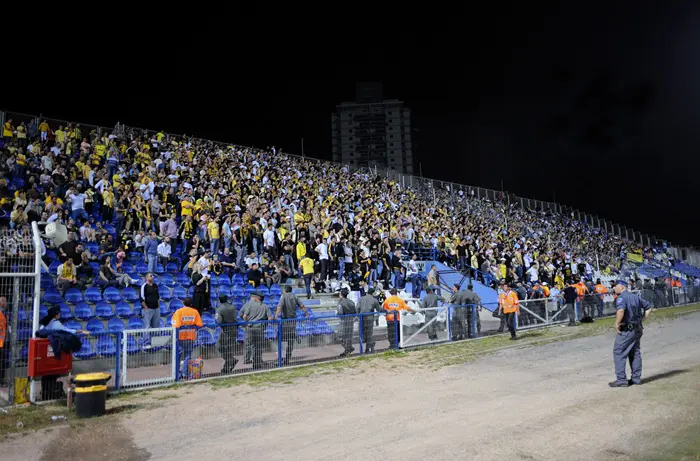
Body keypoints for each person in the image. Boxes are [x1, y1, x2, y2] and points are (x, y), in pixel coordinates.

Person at [609, 283, 652, 387]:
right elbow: (648, 307)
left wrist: (617, 323)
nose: (614, 288)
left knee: (619, 352)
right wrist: (642, 319)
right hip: (637, 328)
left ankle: (621, 379)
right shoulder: (635, 296)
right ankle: (636, 379)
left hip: (627, 329)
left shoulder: (622, 298)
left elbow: (621, 310)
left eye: (616, 286)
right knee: (635, 352)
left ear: (622, 287)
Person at [274, 285, 310, 364]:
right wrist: (307, 314)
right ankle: (288, 356)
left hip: (285, 322)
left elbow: (279, 306)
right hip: (293, 321)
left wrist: (276, 316)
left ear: (285, 290)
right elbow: (302, 306)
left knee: (279, 338)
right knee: (290, 340)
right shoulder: (295, 297)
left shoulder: (283, 296)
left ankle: (280, 358)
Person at [171, 297, 203, 380]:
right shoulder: (195, 312)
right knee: (188, 355)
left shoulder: (179, 312)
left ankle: (177, 374)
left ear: (183, 303)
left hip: (180, 337)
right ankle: (185, 374)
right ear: (191, 304)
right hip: (191, 336)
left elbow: (175, 325)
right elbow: (199, 324)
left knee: (177, 356)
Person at [241, 291, 272, 369]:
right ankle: (257, 362)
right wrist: (265, 325)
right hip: (259, 329)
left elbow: (244, 316)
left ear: (258, 298)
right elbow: (270, 318)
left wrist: (247, 322)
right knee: (258, 346)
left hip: (250, 328)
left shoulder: (250, 305)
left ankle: (249, 360)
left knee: (249, 344)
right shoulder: (266, 306)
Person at [215, 295, 239, 374]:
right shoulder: (233, 307)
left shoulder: (220, 309)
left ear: (219, 300)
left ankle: (230, 361)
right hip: (234, 329)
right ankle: (228, 365)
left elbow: (218, 321)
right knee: (229, 348)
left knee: (219, 346)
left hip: (225, 330)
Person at [357, 287, 382, 352]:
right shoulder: (374, 300)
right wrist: (376, 318)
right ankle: (369, 346)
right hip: (370, 319)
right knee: (369, 334)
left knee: (361, 334)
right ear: (373, 293)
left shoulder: (361, 299)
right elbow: (379, 310)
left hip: (361, 318)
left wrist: (358, 316)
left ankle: (367, 348)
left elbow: (357, 309)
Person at [139, 273, 161, 347]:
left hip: (156, 309)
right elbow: (141, 299)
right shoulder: (144, 286)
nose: (153, 277)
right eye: (151, 276)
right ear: (146, 278)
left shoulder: (155, 285)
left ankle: (155, 343)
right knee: (147, 326)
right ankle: (145, 343)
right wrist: (146, 308)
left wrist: (158, 307)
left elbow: (158, 297)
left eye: (153, 276)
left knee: (156, 326)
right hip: (148, 309)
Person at [336, 288, 357, 357]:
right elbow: (355, 312)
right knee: (349, 336)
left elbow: (340, 313)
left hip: (344, 320)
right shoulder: (352, 302)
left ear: (341, 295)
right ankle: (347, 350)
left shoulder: (340, 303)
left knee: (341, 336)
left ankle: (348, 349)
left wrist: (338, 315)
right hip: (351, 320)